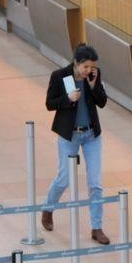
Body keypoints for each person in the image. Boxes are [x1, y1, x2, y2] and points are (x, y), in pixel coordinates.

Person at [42, 44, 111, 245]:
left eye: (92, 67)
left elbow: (102, 102)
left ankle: (96, 227)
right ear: (76, 63)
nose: (89, 70)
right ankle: (48, 209)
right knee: (63, 178)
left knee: (95, 183)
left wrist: (92, 85)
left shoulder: (94, 76)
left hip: (91, 135)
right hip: (69, 135)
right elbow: (49, 104)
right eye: (86, 67)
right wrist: (68, 99)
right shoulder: (59, 76)